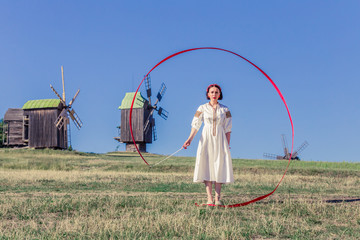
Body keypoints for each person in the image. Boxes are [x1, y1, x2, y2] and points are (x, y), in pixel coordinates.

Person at [183, 84, 234, 205]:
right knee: (206, 165)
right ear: (208, 94)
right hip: (206, 138)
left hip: (220, 139)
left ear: (220, 94)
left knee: (219, 165)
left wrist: (227, 144)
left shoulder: (225, 110)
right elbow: (195, 125)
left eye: (216, 92)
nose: (214, 94)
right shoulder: (202, 108)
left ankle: (217, 199)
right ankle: (209, 198)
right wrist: (189, 139)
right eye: (212, 92)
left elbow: (228, 128)